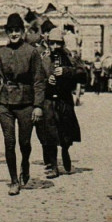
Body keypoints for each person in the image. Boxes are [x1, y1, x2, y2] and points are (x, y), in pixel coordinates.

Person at [0, 13, 45, 194]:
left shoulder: (32, 52)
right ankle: (14, 180)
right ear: (7, 33)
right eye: (11, 31)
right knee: (9, 142)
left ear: (23, 32)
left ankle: (25, 163)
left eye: (17, 30)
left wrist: (38, 105)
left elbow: (39, 80)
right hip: (5, 102)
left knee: (24, 142)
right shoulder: (1, 52)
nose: (14, 34)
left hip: (26, 101)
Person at [38, 27, 85, 176]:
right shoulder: (42, 58)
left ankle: (65, 152)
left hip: (65, 100)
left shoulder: (70, 57)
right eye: (52, 43)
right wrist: (47, 81)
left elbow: (83, 74)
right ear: (48, 43)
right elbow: (35, 79)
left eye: (58, 43)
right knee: (50, 133)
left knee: (65, 132)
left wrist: (67, 72)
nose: (55, 47)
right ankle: (53, 166)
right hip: (48, 101)